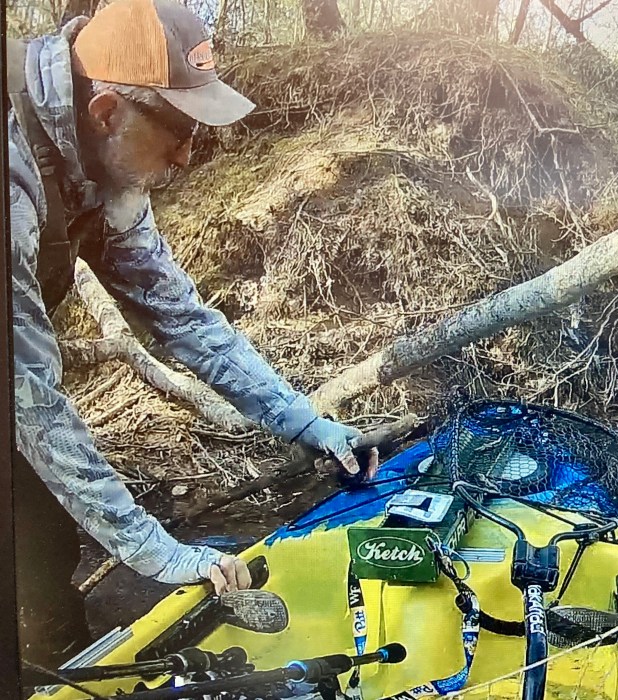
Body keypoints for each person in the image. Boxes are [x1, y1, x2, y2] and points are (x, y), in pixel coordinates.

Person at [6, 0, 378, 666]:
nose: (186, 156)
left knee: (42, 546)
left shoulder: (102, 157)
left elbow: (183, 317)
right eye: (177, 131)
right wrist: (156, 550)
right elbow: (28, 395)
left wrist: (306, 423)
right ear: (107, 112)